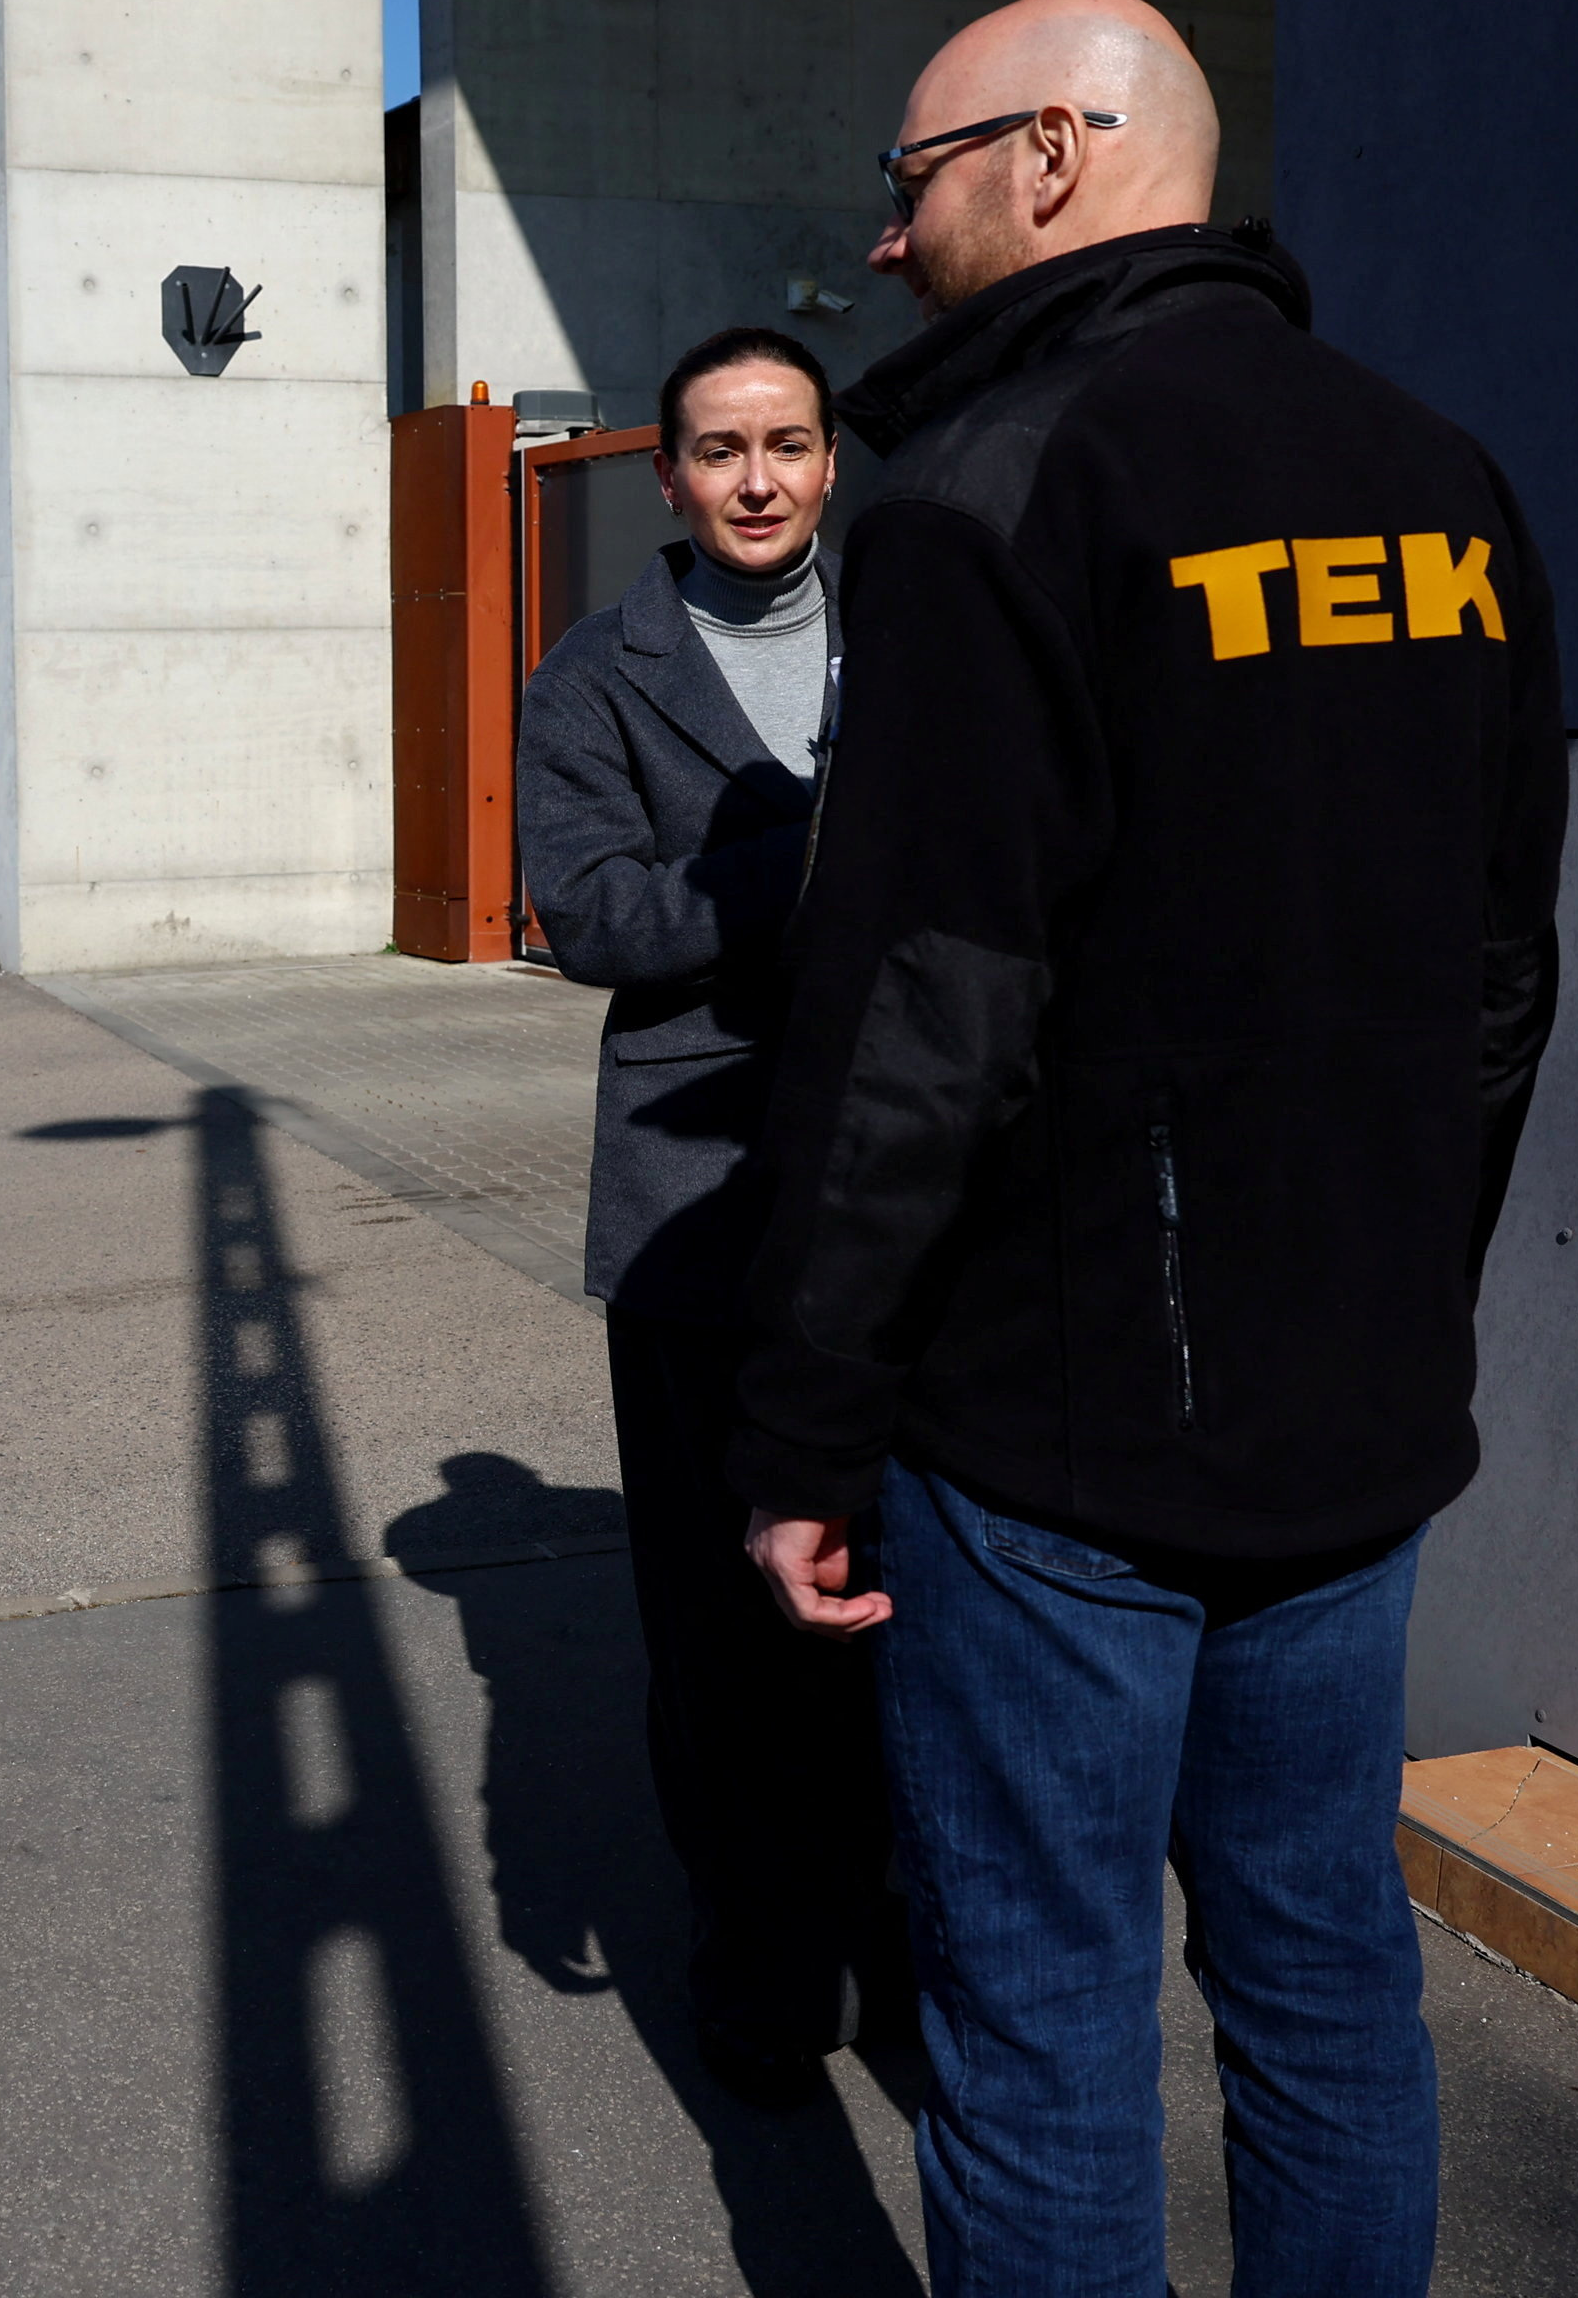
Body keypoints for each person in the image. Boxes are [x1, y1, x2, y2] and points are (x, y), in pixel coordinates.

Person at [730, 0, 1568, 2294]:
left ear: (1057, 153)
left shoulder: (996, 492)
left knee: (1041, 2027)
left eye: (907, 182)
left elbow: (918, 1016)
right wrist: (1398, 1280)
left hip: (1058, 1443)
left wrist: (800, 1417)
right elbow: (1502, 971)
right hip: (1353, 1422)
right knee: (1322, 1987)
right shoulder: (1443, 475)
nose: (886, 246)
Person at [513, 326, 906, 2099]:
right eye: (720, 450)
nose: (758, 479)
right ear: (663, 478)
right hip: (694, 1219)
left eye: (790, 445)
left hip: (909, 1196)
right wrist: (820, 848)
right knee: (719, 1634)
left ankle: (910, 1959)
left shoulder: (916, 643)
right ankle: (757, 1964)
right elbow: (593, 919)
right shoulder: (596, 675)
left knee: (914, 1612)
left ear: (831, 463)